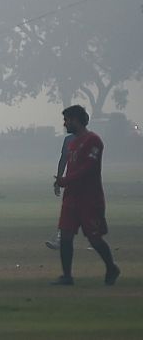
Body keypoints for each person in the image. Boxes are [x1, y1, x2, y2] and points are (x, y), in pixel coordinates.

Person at [51, 104, 120, 286]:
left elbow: (88, 169)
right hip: (71, 198)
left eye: (67, 120)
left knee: (94, 238)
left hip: (89, 198)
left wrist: (66, 180)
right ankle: (67, 276)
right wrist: (61, 181)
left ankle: (111, 267)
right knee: (65, 235)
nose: (65, 124)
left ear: (76, 120)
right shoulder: (72, 143)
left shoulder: (93, 141)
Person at [45, 132, 74, 250]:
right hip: (72, 182)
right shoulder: (68, 140)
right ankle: (60, 239)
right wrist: (59, 179)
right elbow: (63, 160)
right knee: (67, 211)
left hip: (84, 183)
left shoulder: (91, 140)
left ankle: (96, 242)